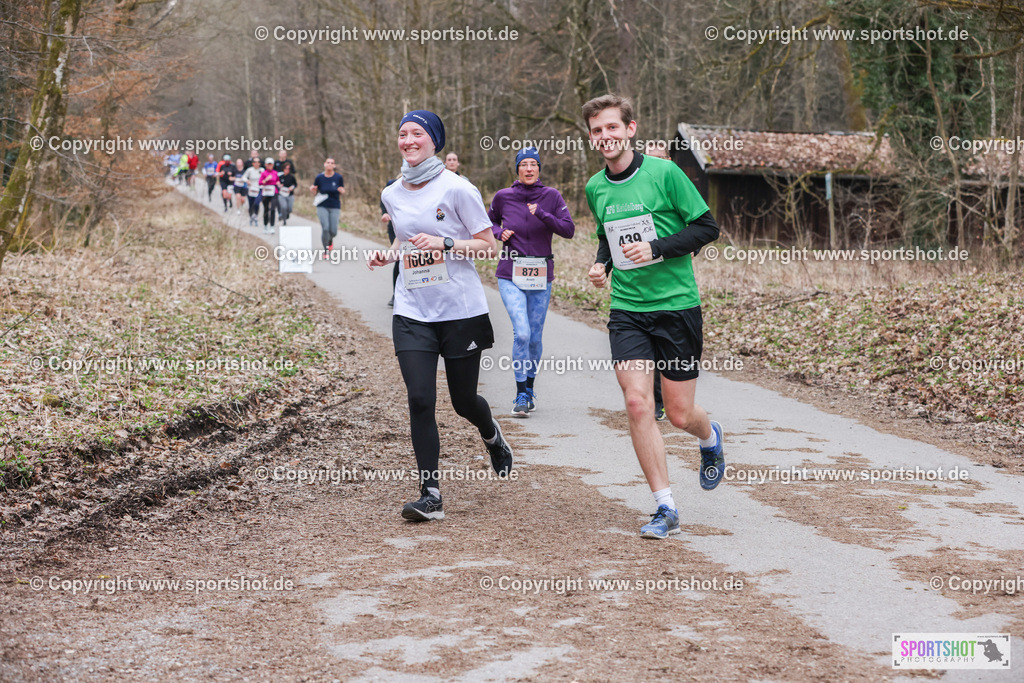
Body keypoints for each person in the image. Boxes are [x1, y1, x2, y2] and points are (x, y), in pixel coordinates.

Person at [583, 94, 724, 540]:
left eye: (611, 127)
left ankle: (710, 437)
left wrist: (657, 247)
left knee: (681, 415)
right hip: (628, 310)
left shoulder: (665, 173)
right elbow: (609, 236)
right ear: (591, 137)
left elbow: (707, 228)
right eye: (596, 130)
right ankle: (666, 507)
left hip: (677, 307)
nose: (604, 136)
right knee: (638, 402)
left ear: (630, 128)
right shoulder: (595, 187)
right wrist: (602, 264)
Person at [368, 109, 513, 522]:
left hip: (459, 310)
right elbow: (401, 236)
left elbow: (488, 246)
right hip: (412, 309)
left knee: (463, 400)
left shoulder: (458, 189)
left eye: (417, 133)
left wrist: (446, 243)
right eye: (402, 133)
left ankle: (492, 436)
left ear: (434, 141)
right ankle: (430, 494)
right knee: (419, 399)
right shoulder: (392, 192)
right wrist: (388, 255)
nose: (408, 140)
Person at [488, 147, 574, 416]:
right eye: (523, 164)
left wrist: (543, 215)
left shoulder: (551, 196)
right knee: (522, 333)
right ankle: (520, 395)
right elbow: (485, 222)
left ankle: (529, 389)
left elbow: (568, 230)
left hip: (541, 274)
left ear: (538, 169)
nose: (528, 169)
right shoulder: (503, 196)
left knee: (535, 338)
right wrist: (499, 231)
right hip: (510, 273)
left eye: (533, 164)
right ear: (517, 169)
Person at [311, 158, 345, 255]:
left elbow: (342, 189)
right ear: (324, 164)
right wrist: (312, 190)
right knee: (325, 228)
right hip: (322, 205)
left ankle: (330, 240)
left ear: (334, 166)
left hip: (334, 205)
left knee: (333, 231)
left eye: (332, 163)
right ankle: (325, 250)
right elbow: (315, 191)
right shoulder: (319, 177)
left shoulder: (338, 177)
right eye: (328, 162)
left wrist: (342, 191)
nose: (330, 164)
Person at [379, 176, 400, 306]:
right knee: (399, 259)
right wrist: (385, 212)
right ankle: (395, 295)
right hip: (396, 227)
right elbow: (384, 200)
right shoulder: (394, 184)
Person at [259, 157, 279, 234]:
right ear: (266, 165)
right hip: (266, 193)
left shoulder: (275, 173)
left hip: (274, 192)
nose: (269, 166)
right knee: (266, 209)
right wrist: (266, 179)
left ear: (273, 165)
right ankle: (265, 226)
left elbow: (277, 181)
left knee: (273, 209)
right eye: (268, 164)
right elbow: (260, 183)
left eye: (271, 164)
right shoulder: (263, 173)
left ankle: (272, 226)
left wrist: (278, 183)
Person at [242, 157, 263, 226]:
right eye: (255, 162)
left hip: (259, 188)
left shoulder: (262, 170)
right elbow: (243, 177)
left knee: (257, 203)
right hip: (251, 188)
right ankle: (251, 216)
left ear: (260, 163)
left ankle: (256, 215)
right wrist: (247, 181)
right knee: (251, 204)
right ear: (253, 163)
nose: (256, 164)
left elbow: (266, 177)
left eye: (258, 162)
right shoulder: (249, 170)